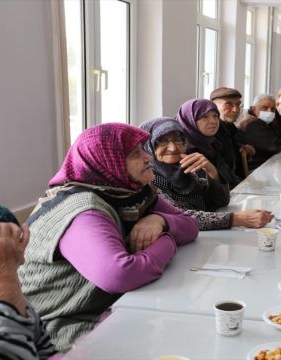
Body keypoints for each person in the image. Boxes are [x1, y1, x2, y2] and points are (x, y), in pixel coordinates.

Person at [18, 123, 199, 352]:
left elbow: (191, 227)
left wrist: (160, 221)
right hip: (58, 322)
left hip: (102, 305)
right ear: (106, 162)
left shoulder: (131, 192)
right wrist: (168, 241)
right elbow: (119, 275)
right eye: (135, 154)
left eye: (143, 149)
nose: (148, 157)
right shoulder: (83, 210)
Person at [139, 117, 273, 229]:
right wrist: (237, 219)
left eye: (178, 140)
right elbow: (179, 217)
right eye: (161, 141)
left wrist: (212, 172)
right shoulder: (147, 178)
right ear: (147, 145)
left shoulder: (183, 169)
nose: (173, 148)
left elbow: (220, 202)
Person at [0, 200, 56, 359]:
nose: (21, 261)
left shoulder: (7, 296)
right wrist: (2, 280)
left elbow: (47, 353)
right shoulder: (4, 286)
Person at [175, 98, 240, 188]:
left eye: (215, 116)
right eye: (204, 116)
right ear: (189, 120)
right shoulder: (184, 152)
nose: (213, 121)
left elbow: (231, 178)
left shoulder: (212, 144)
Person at [210, 87, 255, 182]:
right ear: (213, 106)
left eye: (238, 105)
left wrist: (242, 148)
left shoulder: (231, 128)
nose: (236, 110)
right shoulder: (212, 132)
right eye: (228, 104)